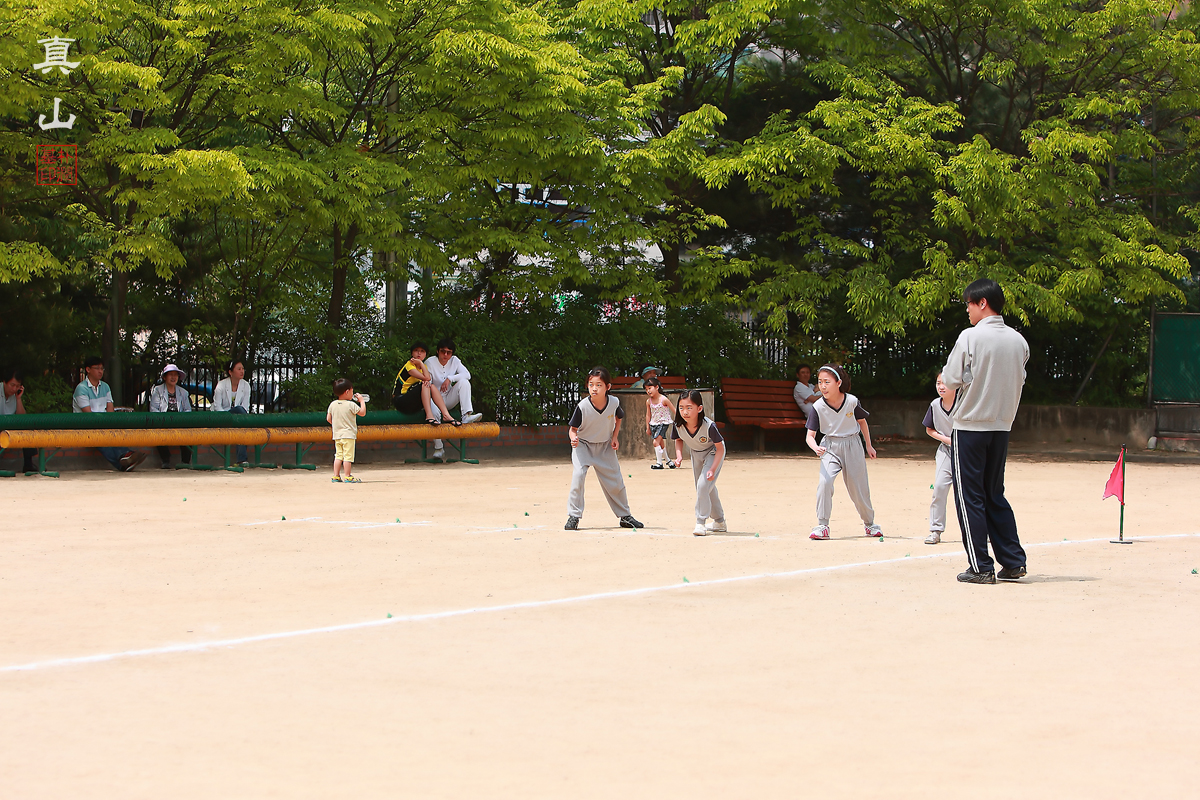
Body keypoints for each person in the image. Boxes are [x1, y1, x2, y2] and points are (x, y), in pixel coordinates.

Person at [942, 278, 1030, 584]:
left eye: (969, 303)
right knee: (994, 493)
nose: (967, 309)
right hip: (1001, 426)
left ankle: (980, 566)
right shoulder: (1019, 341)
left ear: (982, 303)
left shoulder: (970, 337)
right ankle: (1013, 562)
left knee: (970, 498)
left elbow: (951, 379)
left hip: (970, 426)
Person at [805, 364, 882, 539]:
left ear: (838, 383)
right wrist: (816, 447)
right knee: (824, 483)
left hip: (852, 444)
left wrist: (868, 446)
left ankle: (870, 524)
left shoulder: (852, 401)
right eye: (820, 382)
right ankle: (822, 526)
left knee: (858, 487)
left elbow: (862, 422)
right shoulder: (817, 407)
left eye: (827, 382)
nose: (823, 386)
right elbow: (810, 435)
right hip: (830, 447)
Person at [565, 366, 644, 531]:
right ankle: (574, 516)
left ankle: (625, 516)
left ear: (608, 387)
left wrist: (614, 437)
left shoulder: (614, 402)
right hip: (583, 446)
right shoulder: (582, 406)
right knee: (578, 477)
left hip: (605, 446)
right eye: (591, 384)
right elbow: (572, 429)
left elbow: (619, 417)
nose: (594, 388)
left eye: (599, 385)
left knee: (616, 481)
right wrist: (574, 439)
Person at [72, 356, 147, 472]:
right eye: (97, 368)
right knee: (99, 436)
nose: (100, 371)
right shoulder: (81, 388)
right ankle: (125, 457)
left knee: (108, 433)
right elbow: (88, 413)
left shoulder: (105, 387)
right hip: (86, 425)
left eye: (102, 368)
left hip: (102, 423)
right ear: (88, 369)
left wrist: (109, 423)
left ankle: (124, 461)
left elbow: (110, 408)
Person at [672, 389, 726, 535]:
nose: (685, 412)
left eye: (689, 408)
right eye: (681, 408)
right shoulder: (678, 425)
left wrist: (712, 469)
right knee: (706, 487)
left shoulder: (709, 426)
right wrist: (678, 456)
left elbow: (720, 449)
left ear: (699, 408)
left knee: (703, 485)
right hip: (696, 453)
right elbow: (678, 440)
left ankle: (700, 522)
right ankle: (719, 521)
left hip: (713, 452)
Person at [425, 338, 484, 461]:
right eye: (443, 351)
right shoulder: (430, 362)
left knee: (464, 382)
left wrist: (450, 378)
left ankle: (466, 415)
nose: (445, 355)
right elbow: (427, 384)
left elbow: (467, 374)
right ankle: (439, 448)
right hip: (433, 399)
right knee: (434, 411)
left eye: (449, 352)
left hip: (448, 398)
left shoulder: (455, 361)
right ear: (437, 351)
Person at [391, 342, 461, 429]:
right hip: (400, 401)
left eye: (422, 351)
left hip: (413, 403)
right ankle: (429, 415)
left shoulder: (424, 367)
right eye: (416, 351)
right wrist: (420, 364)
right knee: (425, 384)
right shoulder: (409, 365)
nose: (419, 353)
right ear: (412, 353)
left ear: (425, 354)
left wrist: (421, 365)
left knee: (430, 386)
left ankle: (446, 415)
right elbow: (426, 378)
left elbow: (427, 379)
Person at [922, 372, 956, 544]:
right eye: (938, 383)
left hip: (966, 454)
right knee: (939, 489)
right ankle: (935, 530)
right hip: (945, 452)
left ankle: (981, 531)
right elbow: (929, 429)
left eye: (945, 383)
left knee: (970, 494)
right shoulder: (935, 405)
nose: (941, 387)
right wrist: (947, 439)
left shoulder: (964, 404)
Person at [148, 363, 193, 469]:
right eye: (170, 374)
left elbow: (187, 410)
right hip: (163, 421)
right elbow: (153, 409)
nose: (173, 377)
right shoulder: (157, 390)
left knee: (189, 431)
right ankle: (165, 460)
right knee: (158, 431)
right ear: (165, 377)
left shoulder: (183, 393)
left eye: (175, 375)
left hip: (179, 421)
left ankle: (185, 462)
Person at [211, 359, 252, 466]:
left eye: (243, 368)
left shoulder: (246, 385)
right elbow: (217, 406)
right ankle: (242, 459)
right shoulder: (221, 385)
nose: (242, 371)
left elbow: (245, 407)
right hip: (222, 415)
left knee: (241, 424)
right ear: (230, 372)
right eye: (239, 369)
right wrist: (228, 417)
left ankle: (241, 459)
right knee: (240, 413)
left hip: (239, 417)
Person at [326, 377, 367, 483]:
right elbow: (362, 413)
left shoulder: (333, 404)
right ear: (347, 391)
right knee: (348, 456)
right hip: (348, 435)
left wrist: (337, 424)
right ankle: (348, 476)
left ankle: (336, 476)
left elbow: (328, 419)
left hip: (337, 435)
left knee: (338, 455)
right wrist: (361, 401)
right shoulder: (350, 405)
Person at [0, 367, 37, 474]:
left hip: (9, 427)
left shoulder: (15, 395)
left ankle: (28, 464)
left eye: (17, 386)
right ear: (4, 382)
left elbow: (22, 418)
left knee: (27, 427)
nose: (14, 389)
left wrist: (18, 399)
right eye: (12, 385)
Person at [644, 377, 676, 469]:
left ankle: (659, 463)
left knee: (655, 442)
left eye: (650, 388)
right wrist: (648, 427)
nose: (648, 391)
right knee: (661, 443)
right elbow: (648, 415)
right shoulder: (648, 402)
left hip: (663, 423)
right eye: (646, 389)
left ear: (657, 387)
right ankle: (669, 461)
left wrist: (681, 420)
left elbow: (673, 409)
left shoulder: (664, 399)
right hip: (654, 423)